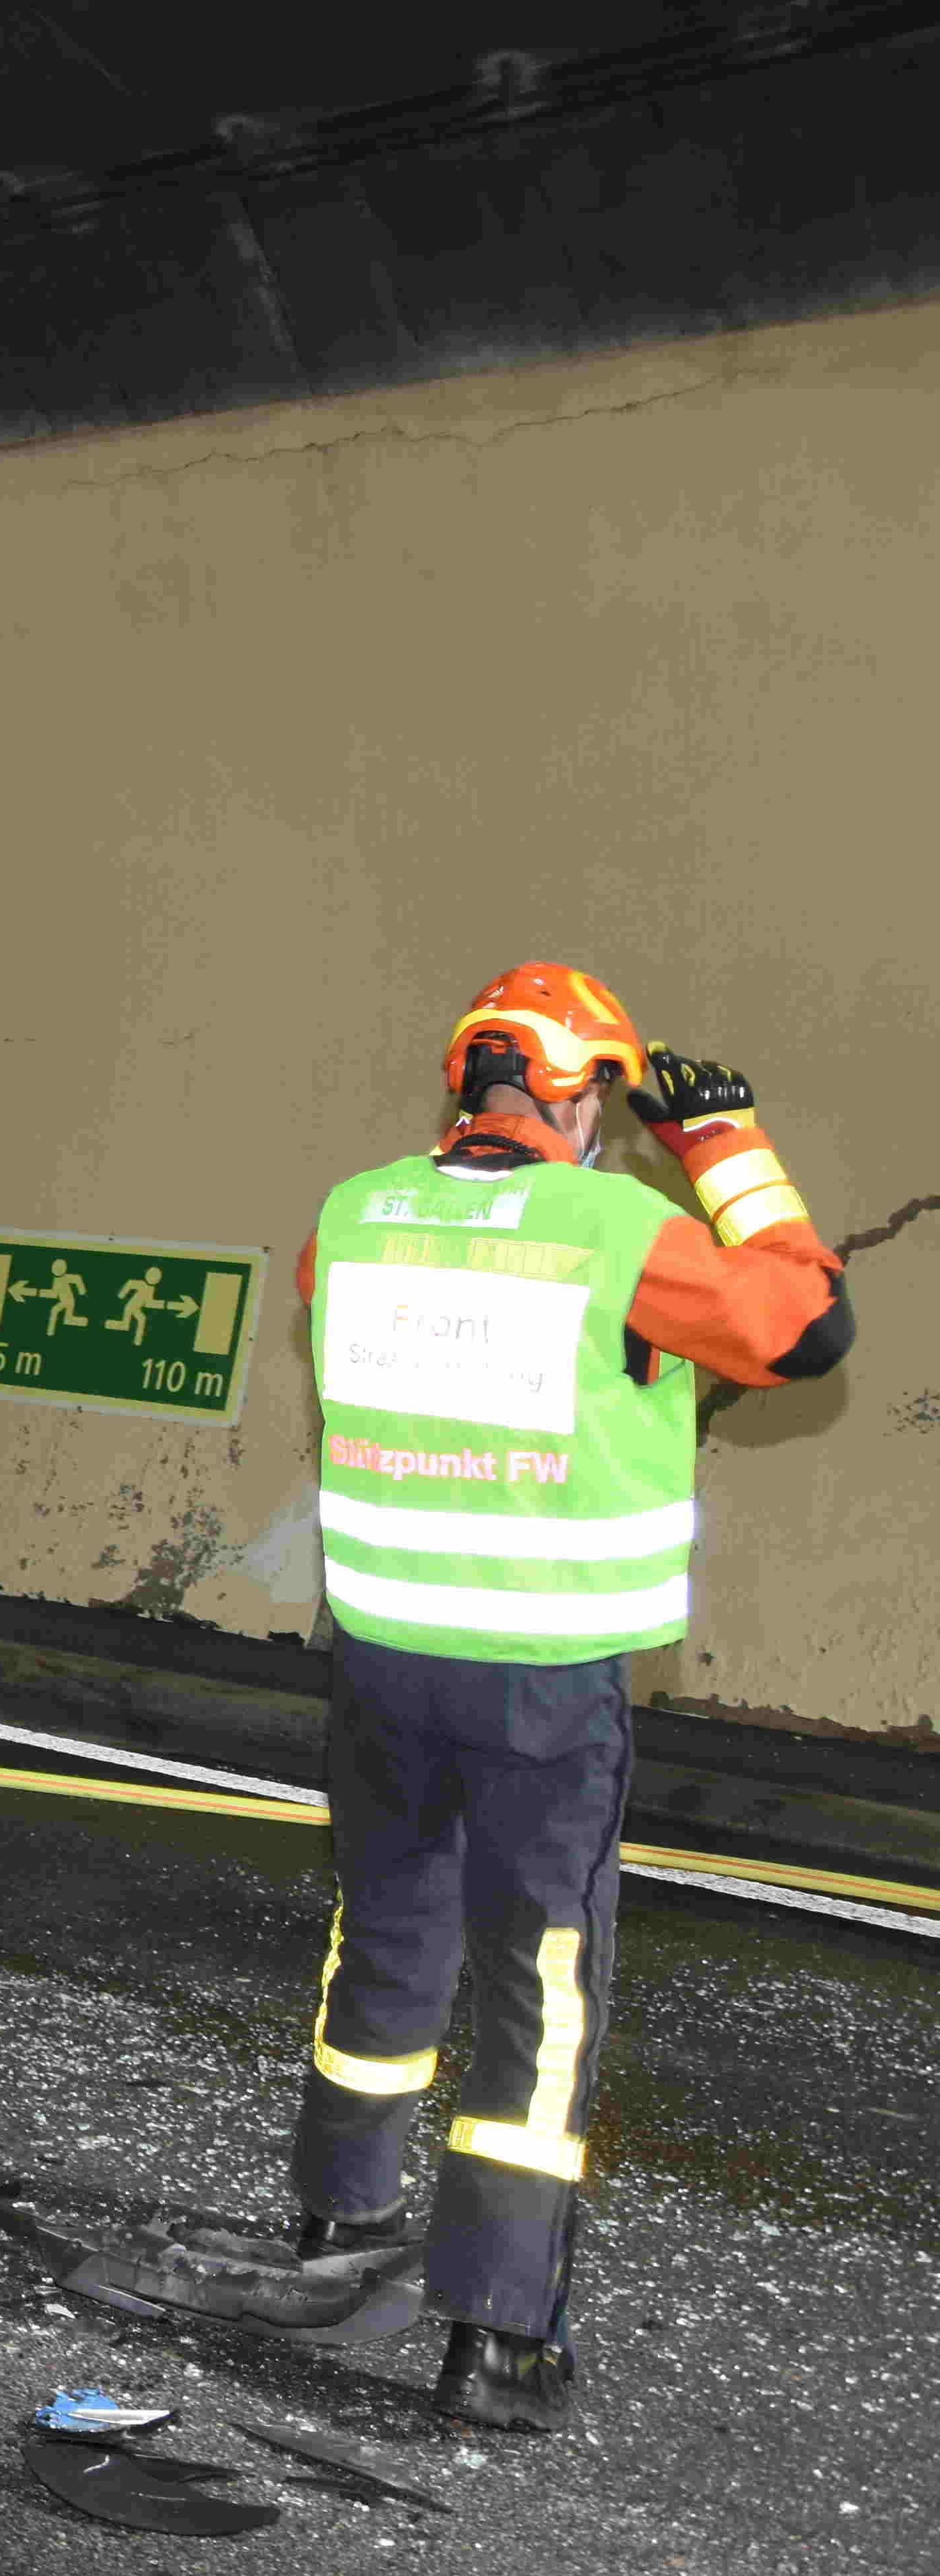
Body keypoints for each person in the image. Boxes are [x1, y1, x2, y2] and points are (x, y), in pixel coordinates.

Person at [290, 961, 851, 2433]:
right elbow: (806, 1330)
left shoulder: (356, 1213)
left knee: (389, 1932)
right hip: (540, 1678)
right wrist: (728, 1150)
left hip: (385, 1656)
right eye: (598, 1090)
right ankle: (499, 2329)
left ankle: (340, 2230)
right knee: (537, 1983)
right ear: (573, 1090)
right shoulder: (617, 1225)